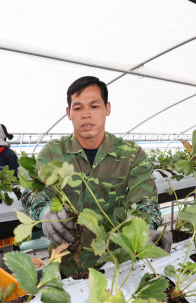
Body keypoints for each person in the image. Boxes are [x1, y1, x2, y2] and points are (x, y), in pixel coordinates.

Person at [21, 76, 170, 276]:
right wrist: (45, 212)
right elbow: (33, 190)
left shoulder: (131, 154)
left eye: (94, 106)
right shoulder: (53, 152)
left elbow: (145, 201)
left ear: (107, 108)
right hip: (66, 267)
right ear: (68, 113)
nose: (86, 115)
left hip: (119, 266)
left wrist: (142, 227)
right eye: (78, 108)